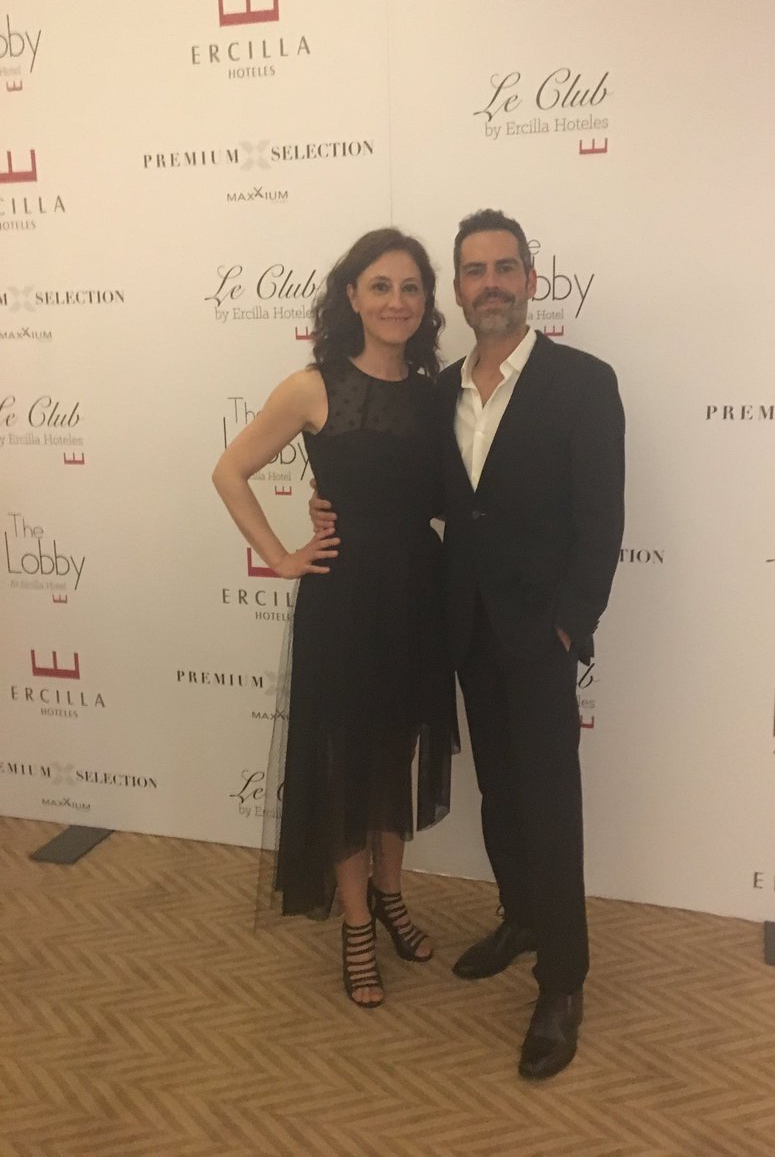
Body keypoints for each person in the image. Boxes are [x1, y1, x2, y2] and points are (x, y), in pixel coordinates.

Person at [314, 208, 625, 1076]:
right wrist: (332, 504)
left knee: (550, 803)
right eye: (474, 271)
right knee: (498, 794)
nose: (490, 283)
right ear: (457, 289)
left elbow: (603, 522)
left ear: (530, 279)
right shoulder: (439, 390)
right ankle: (521, 917)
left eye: (505, 268)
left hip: (541, 635)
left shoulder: (583, 383)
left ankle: (563, 979)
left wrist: (571, 622)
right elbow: (403, 489)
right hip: (463, 630)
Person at [213, 228, 457, 1009]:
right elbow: (230, 470)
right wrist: (282, 555)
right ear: (350, 296)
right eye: (380, 285)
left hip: (416, 594)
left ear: (427, 301)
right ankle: (356, 924)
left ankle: (390, 896)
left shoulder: (435, 393)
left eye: (411, 287)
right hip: (345, 597)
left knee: (394, 756)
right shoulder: (312, 387)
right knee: (347, 764)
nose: (396, 301)